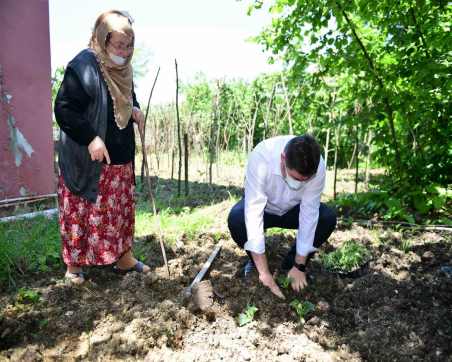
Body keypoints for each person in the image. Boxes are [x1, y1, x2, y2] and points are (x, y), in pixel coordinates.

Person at [54, 10, 150, 285]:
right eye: (119, 44)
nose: (125, 50)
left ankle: (123, 258)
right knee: (81, 210)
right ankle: (74, 266)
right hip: (89, 160)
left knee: (119, 212)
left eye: (129, 45)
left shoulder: (124, 70)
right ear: (102, 38)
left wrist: (135, 109)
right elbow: (64, 108)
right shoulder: (83, 65)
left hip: (119, 160)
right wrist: (90, 138)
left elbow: (124, 98)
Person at [227, 135, 336, 298]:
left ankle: (291, 266)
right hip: (265, 209)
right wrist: (264, 272)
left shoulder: (317, 165)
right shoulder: (261, 158)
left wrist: (299, 265)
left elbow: (309, 213)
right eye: (296, 178)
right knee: (237, 219)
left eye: (305, 180)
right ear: (283, 159)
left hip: (294, 209)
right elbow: (254, 211)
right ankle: (257, 263)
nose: (299, 184)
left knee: (327, 218)